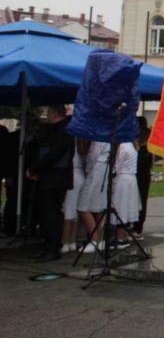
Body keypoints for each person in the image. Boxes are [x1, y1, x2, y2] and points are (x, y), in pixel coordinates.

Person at [25, 105, 75, 261]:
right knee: (46, 215)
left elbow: (52, 154)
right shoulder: (55, 131)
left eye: (48, 113)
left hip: (55, 180)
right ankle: (48, 246)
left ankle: (53, 248)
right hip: (48, 178)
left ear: (54, 114)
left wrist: (34, 169)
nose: (46, 116)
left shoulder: (64, 132)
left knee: (51, 215)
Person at [77, 140, 111, 252]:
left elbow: (93, 157)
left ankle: (94, 239)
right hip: (103, 170)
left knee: (83, 206)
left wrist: (87, 169)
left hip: (97, 171)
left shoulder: (99, 138)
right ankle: (99, 239)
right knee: (100, 207)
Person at [110, 141, 141, 246]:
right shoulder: (134, 146)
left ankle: (120, 237)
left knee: (120, 207)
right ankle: (124, 236)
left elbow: (117, 165)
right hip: (131, 179)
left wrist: (112, 178)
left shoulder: (123, 146)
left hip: (123, 179)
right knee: (126, 208)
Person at [60, 139, 87, 253]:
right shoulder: (81, 145)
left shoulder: (70, 146)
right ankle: (73, 241)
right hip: (81, 176)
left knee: (68, 211)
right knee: (75, 210)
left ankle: (65, 241)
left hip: (72, 177)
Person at [133, 116, 153, 238]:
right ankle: (138, 225)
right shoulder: (147, 146)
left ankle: (138, 226)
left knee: (140, 200)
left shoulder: (143, 148)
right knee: (141, 200)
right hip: (144, 176)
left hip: (140, 176)